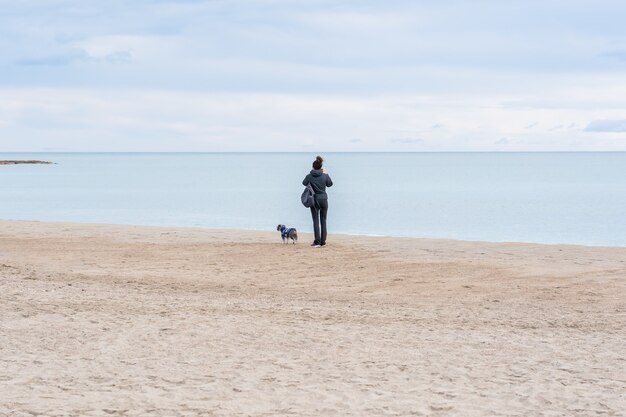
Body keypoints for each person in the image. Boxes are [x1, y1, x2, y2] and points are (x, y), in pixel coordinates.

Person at [302, 155, 333, 247]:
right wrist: (326, 174)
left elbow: (304, 183)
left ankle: (317, 241)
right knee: (323, 220)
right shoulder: (324, 175)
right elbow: (330, 184)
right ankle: (323, 241)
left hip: (314, 200)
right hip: (324, 199)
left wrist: (310, 178)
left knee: (316, 221)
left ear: (313, 167)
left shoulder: (309, 176)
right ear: (321, 167)